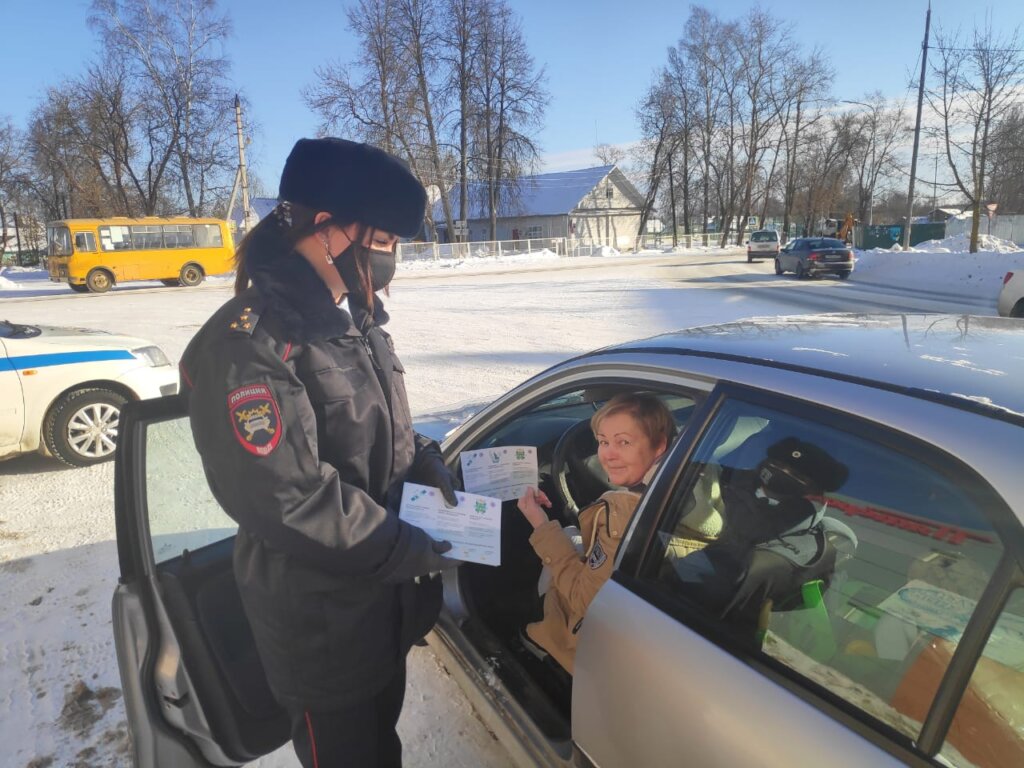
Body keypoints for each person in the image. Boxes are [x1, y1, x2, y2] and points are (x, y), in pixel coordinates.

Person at [179, 137, 461, 768]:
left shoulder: (349, 319)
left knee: (378, 746)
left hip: (378, 610)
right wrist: (402, 545)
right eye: (383, 239)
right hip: (323, 631)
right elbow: (288, 496)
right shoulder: (251, 345)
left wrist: (425, 460)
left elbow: (380, 425)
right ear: (327, 229)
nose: (389, 258)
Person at [516, 393, 676, 674]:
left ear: (659, 445)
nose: (607, 455)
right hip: (655, 626)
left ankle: (543, 644)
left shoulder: (624, 515)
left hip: (604, 643)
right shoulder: (692, 482)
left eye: (623, 442)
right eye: (603, 441)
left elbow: (583, 600)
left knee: (560, 541)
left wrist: (539, 523)